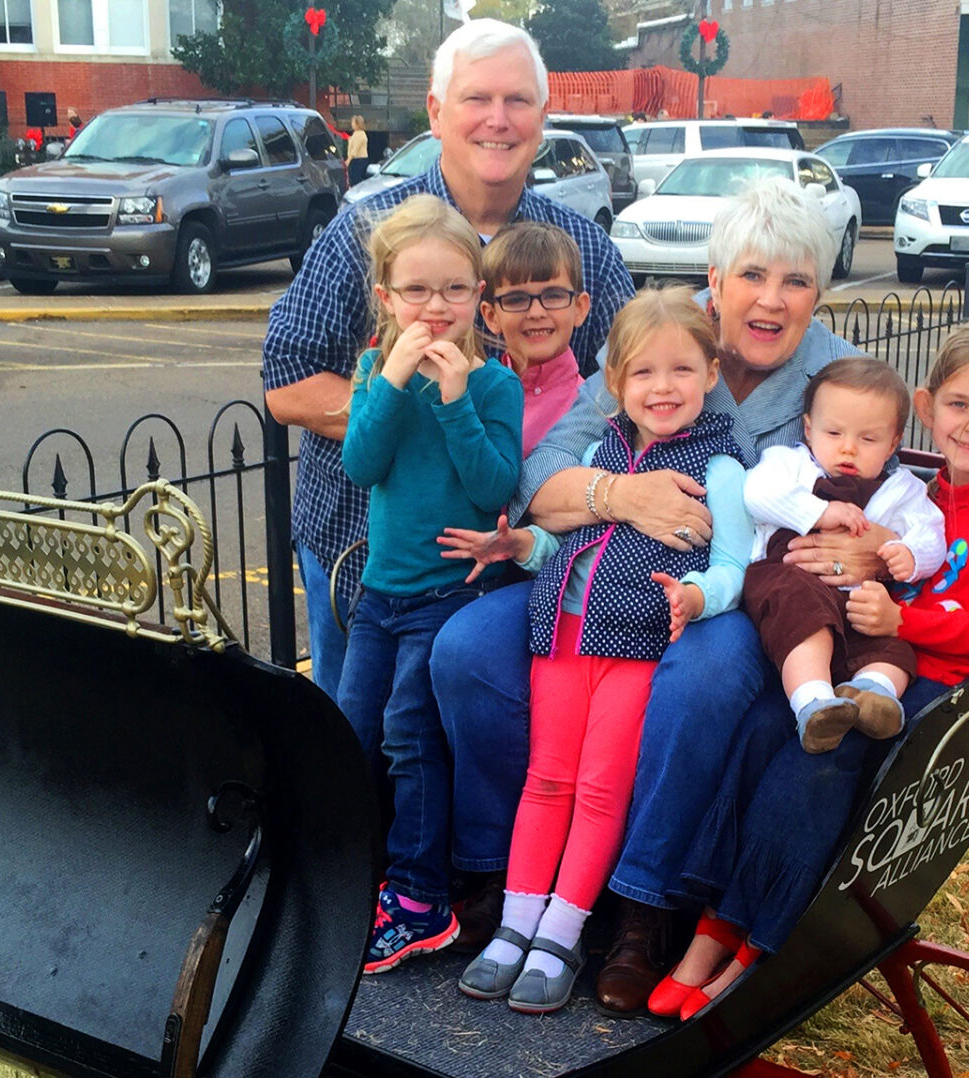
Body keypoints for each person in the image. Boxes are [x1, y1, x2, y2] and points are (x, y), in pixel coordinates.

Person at [431, 175, 869, 1017]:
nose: (771, 301)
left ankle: (641, 908)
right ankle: (495, 879)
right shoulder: (655, 342)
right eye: (752, 275)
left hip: (738, 598)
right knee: (466, 653)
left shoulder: (841, 376)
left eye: (797, 281)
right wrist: (619, 496)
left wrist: (856, 549)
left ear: (821, 290)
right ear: (715, 276)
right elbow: (539, 478)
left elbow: (873, 498)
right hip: (587, 569)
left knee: (699, 681)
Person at [653, 316, 969, 1022]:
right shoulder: (924, 490)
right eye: (960, 407)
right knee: (757, 731)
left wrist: (906, 621)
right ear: (929, 409)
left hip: (933, 683)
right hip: (856, 650)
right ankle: (711, 922)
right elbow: (864, 553)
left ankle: (759, 946)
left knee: (817, 764)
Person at [262, 17, 633, 701]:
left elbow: (631, 387)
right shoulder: (366, 233)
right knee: (358, 759)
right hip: (366, 564)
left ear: (543, 118)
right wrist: (410, 421)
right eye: (476, 99)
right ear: (436, 112)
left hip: (520, 574)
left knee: (472, 764)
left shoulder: (581, 250)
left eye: (518, 101)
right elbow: (286, 381)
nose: (499, 119)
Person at [443, 288, 753, 1014]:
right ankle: (515, 924)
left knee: (599, 789)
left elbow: (736, 564)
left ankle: (562, 931)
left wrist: (699, 596)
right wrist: (524, 542)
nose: (663, 387)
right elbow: (569, 540)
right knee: (546, 780)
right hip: (562, 637)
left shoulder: (723, 468)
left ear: (711, 375)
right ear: (613, 384)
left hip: (635, 646)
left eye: (682, 370)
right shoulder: (596, 451)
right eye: (642, 373)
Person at [338, 194, 523, 976]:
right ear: (386, 298)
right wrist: (391, 380)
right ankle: (356, 874)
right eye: (417, 291)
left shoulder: (493, 385)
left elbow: (493, 488)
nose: (436, 307)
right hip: (381, 595)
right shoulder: (373, 370)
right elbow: (361, 465)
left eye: (454, 289)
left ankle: (420, 898)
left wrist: (452, 402)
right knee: (350, 732)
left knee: (412, 737)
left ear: (479, 295)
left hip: (450, 596)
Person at [738, 357, 944, 755]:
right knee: (802, 613)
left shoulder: (900, 488)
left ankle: (872, 693)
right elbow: (756, 493)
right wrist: (819, 512)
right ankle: (813, 702)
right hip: (790, 584)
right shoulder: (791, 465)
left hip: (859, 603)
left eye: (868, 439)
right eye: (834, 432)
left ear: (894, 442)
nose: (848, 448)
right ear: (809, 428)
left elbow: (932, 531)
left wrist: (911, 554)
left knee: (895, 649)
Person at [475, 222, 590, 454]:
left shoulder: (592, 412)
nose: (536, 313)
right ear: (491, 315)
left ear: (579, 308)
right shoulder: (473, 395)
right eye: (516, 299)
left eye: (554, 296)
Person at [347, 114, 371, 186]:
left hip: (358, 159)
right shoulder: (355, 133)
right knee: (352, 178)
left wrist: (348, 160)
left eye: (353, 122)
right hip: (355, 159)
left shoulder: (360, 134)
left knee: (356, 178)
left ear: (357, 124)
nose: (352, 124)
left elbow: (355, 149)